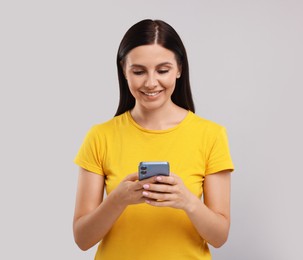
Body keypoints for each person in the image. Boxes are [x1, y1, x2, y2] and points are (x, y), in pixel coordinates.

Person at [73, 19, 234, 260]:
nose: (150, 82)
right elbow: (83, 239)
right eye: (138, 71)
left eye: (162, 70)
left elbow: (219, 237)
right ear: (124, 70)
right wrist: (118, 199)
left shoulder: (211, 135)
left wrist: (188, 202)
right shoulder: (100, 136)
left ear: (179, 68)